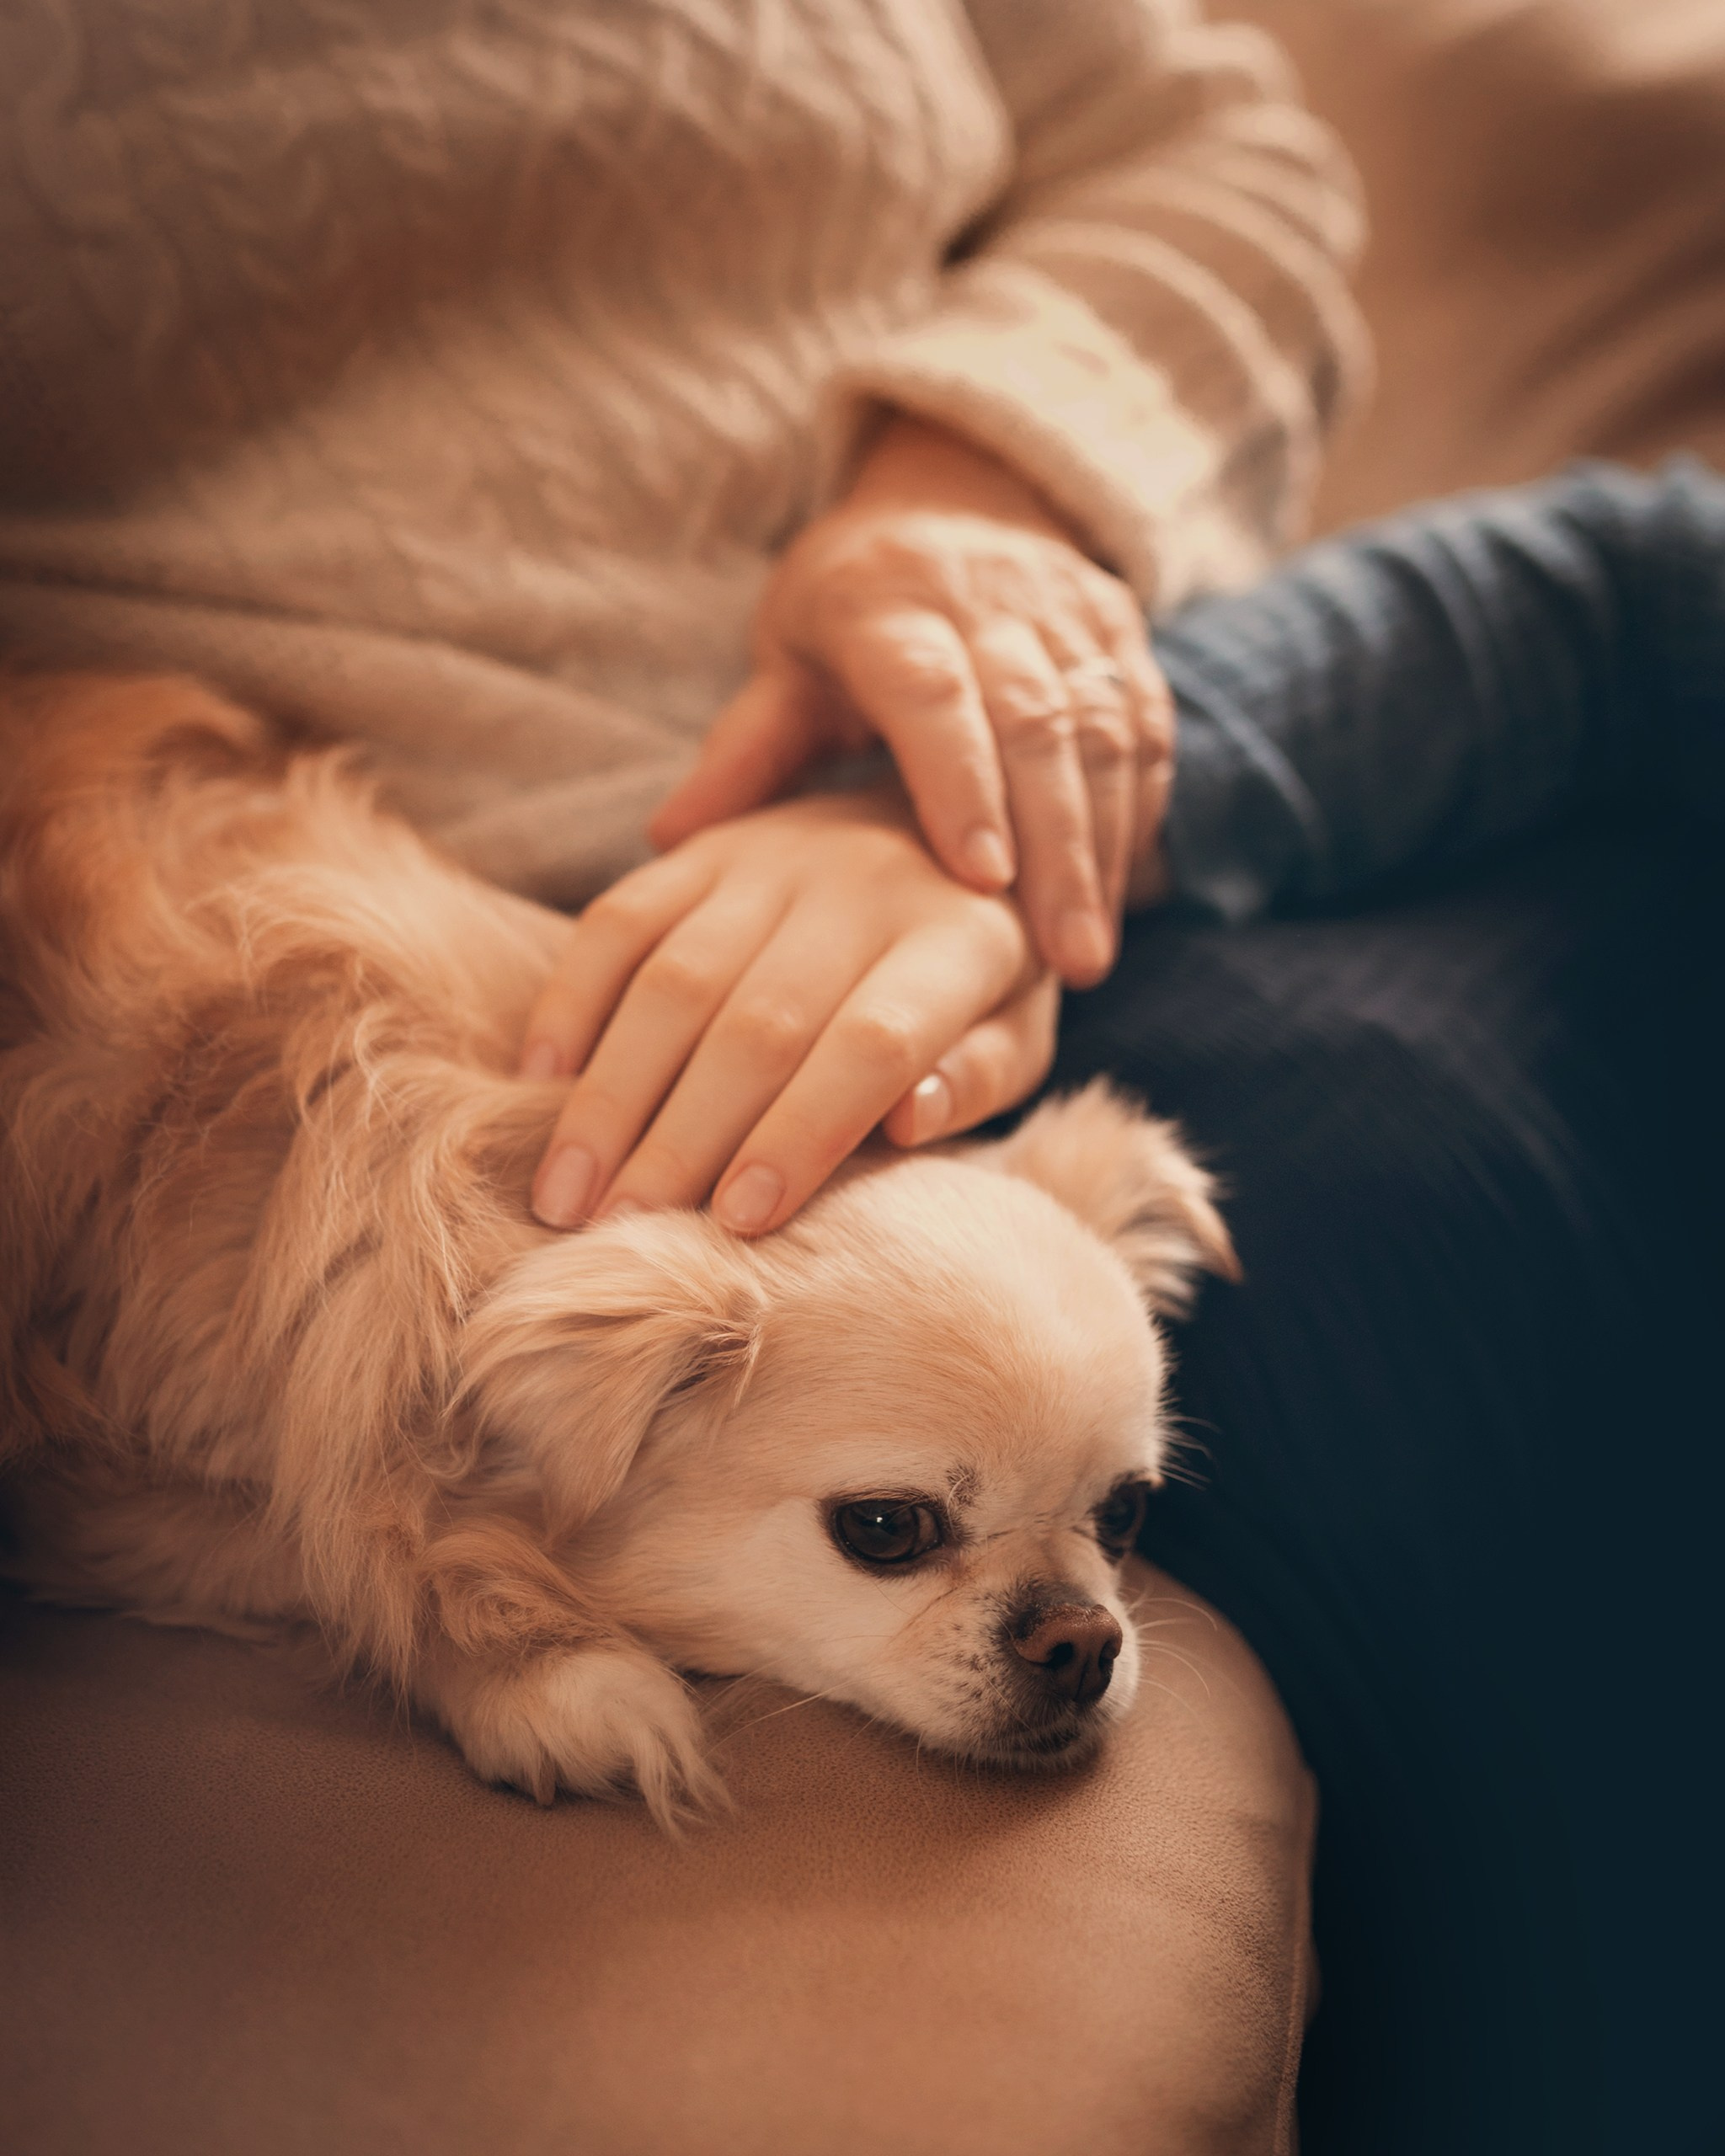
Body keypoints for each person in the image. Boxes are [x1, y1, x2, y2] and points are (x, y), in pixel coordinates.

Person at [0, 0, 1367, 1234]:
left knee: (1584, 586)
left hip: (1014, 825)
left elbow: (1223, 152)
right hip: (341, 1029)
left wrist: (963, 507)